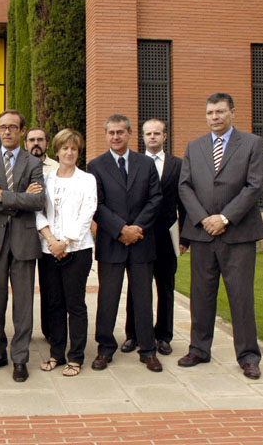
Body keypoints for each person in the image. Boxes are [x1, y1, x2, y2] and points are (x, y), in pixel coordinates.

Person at [178, 92, 263, 380]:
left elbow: (254, 186)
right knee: (201, 296)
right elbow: (185, 187)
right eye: (210, 113)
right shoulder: (194, 146)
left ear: (232, 112)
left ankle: (249, 356)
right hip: (203, 234)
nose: (214, 117)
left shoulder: (252, 143)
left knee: (241, 296)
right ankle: (199, 349)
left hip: (238, 234)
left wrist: (225, 218)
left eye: (220, 112)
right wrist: (204, 219)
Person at [87, 114, 163, 373]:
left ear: (130, 133)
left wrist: (137, 229)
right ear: (106, 135)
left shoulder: (146, 164)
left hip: (142, 241)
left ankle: (148, 350)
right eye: (111, 133)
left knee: (143, 298)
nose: (116, 137)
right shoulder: (95, 166)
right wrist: (120, 229)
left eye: (120, 132)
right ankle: (105, 349)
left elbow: (156, 199)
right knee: (107, 298)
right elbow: (96, 204)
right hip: (112, 242)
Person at [0, 109, 45, 383]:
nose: (6, 132)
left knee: (23, 305)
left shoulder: (32, 162)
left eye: (12, 127)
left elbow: (38, 201)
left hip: (24, 241)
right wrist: (19, 199)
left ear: (22, 131)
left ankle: (20, 358)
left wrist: (2, 195)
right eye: (2, 127)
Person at [121, 119, 188, 356]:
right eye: (148, 134)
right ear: (142, 137)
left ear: (165, 136)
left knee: (165, 286)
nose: (152, 137)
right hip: (139, 235)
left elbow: (184, 202)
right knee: (137, 288)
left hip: (166, 236)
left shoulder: (178, 165)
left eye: (156, 133)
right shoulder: (133, 163)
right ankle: (133, 334)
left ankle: (164, 336)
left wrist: (184, 238)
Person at [36, 129, 96, 376]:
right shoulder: (46, 179)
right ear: (57, 151)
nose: (69, 152)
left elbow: (87, 213)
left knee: (75, 303)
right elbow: (36, 210)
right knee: (54, 303)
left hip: (77, 250)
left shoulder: (87, 180)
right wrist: (51, 240)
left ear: (78, 152)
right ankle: (56, 353)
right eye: (65, 148)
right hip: (49, 249)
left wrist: (65, 241)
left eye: (74, 149)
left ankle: (76, 356)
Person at [24, 126, 59, 341]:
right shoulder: (17, 166)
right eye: (31, 140)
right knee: (24, 288)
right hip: (26, 233)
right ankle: (24, 331)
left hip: (50, 236)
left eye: (40, 139)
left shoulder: (57, 168)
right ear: (25, 143)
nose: (36, 143)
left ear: (47, 143)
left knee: (50, 288)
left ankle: (50, 331)